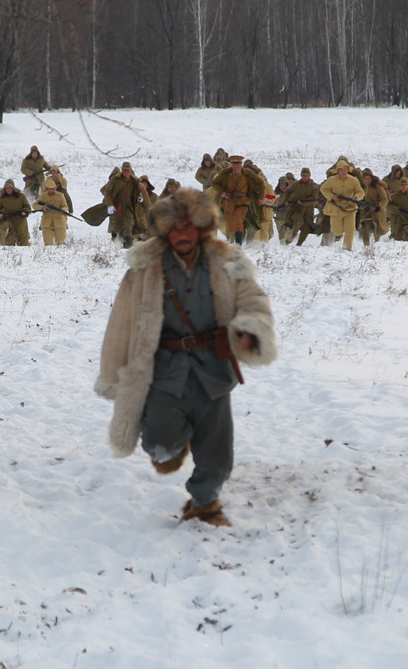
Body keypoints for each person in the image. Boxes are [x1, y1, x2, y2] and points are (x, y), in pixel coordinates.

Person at [94, 188, 277, 528]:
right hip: (164, 369)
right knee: (159, 445)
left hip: (213, 370)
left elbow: (253, 298)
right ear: (165, 231)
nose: (182, 235)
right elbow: (121, 321)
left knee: (218, 454)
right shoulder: (144, 266)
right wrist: (112, 374)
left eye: (188, 228)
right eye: (175, 229)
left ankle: (205, 504)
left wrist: (251, 327)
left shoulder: (227, 260)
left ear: (202, 228)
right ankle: (174, 446)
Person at [319, 158, 366, 250]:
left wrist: (355, 198)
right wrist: (332, 197)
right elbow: (323, 189)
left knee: (350, 230)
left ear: (347, 170)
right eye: (341, 170)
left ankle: (347, 249)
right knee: (337, 230)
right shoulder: (331, 180)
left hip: (349, 208)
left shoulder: (354, 180)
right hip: (336, 208)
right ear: (337, 171)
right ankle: (337, 236)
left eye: (345, 169)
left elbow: (361, 192)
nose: (343, 172)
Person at [38, 177, 72, 245]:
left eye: (57, 183)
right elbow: (37, 205)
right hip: (48, 218)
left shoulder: (62, 192)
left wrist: (69, 210)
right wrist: (42, 207)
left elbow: (67, 202)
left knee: (60, 240)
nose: (57, 185)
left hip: (60, 216)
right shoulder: (44, 195)